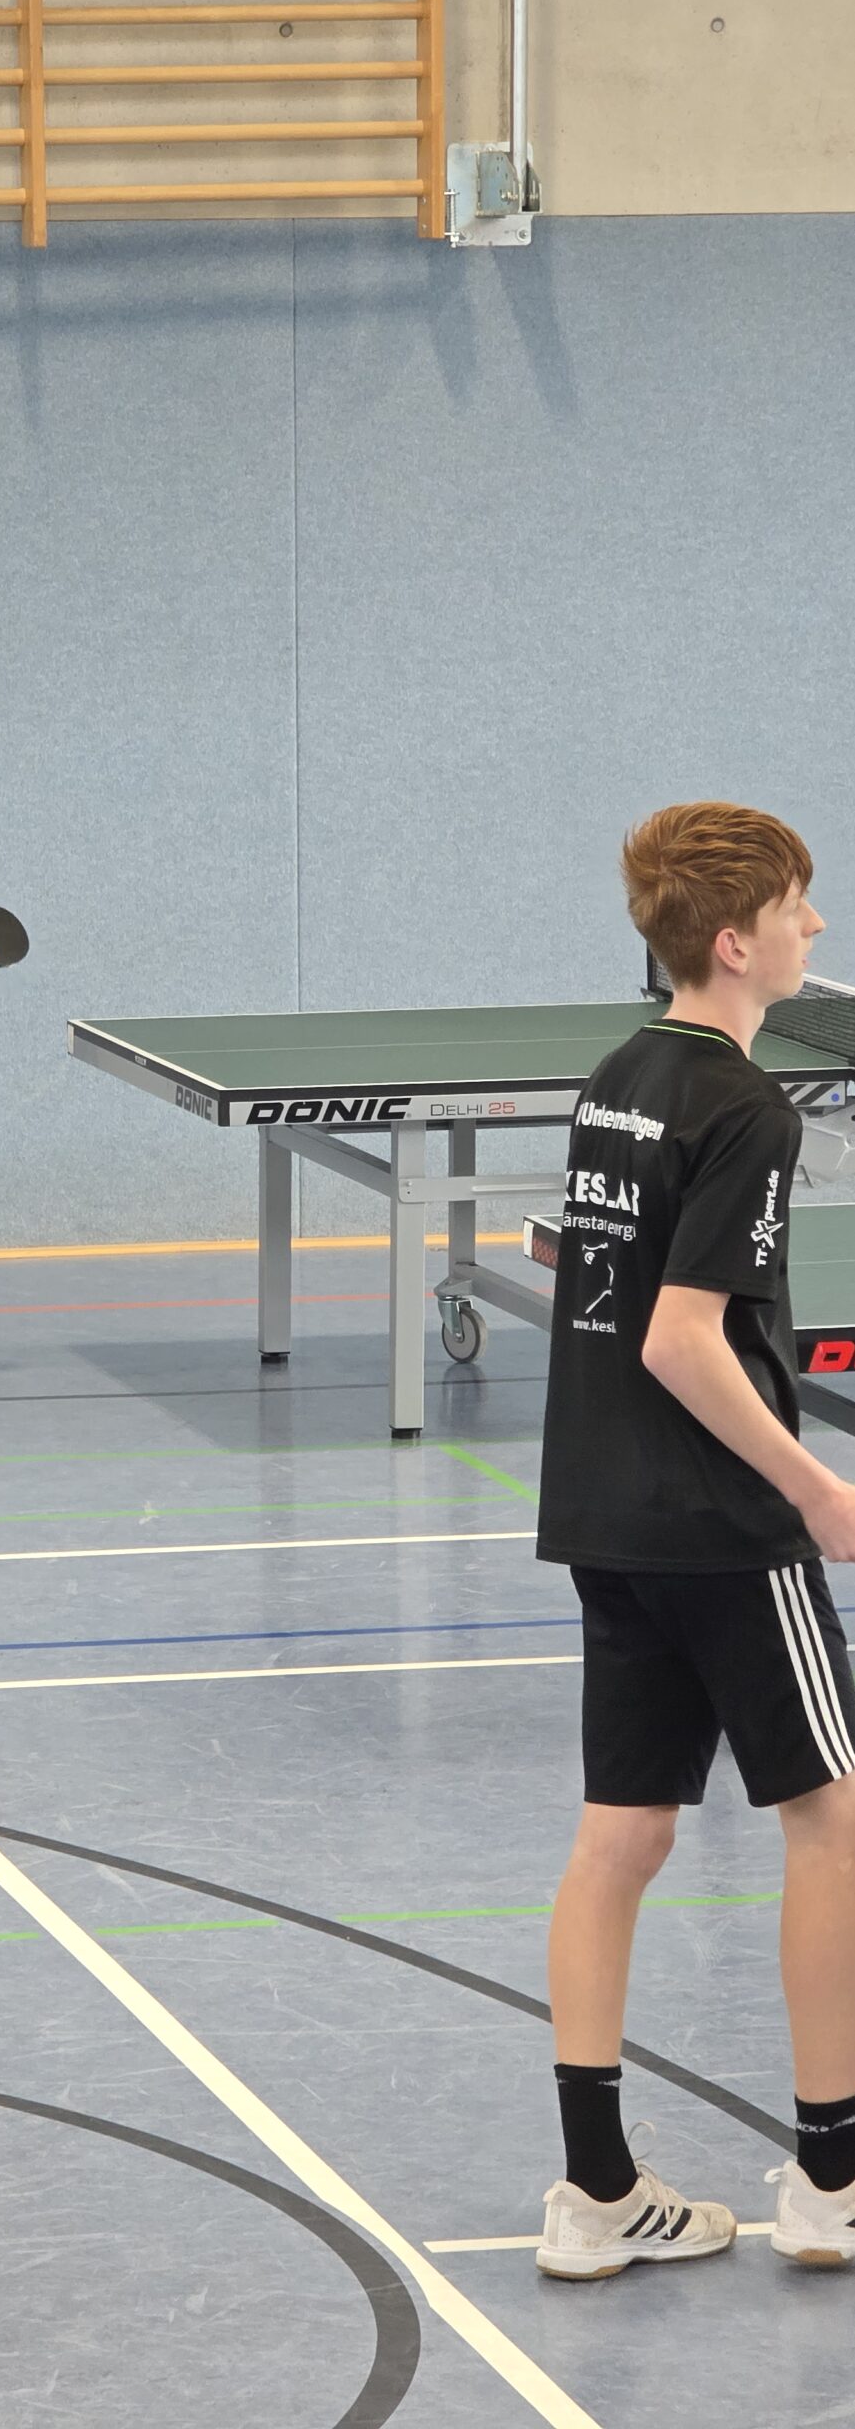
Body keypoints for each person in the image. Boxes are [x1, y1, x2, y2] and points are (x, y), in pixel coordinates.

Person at [535, 801, 855, 2279]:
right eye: (796, 909)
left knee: (622, 1837)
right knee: (832, 1821)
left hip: (605, 1511)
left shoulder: (618, 1078)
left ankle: (595, 2192)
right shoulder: (750, 1111)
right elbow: (679, 1338)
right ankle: (833, 2178)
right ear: (734, 942)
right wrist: (813, 1486)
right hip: (723, 1526)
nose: (815, 929)